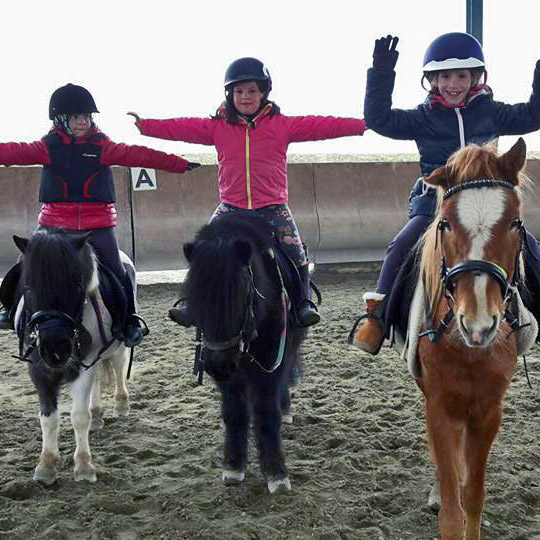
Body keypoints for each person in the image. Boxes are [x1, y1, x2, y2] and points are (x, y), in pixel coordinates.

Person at [128, 57, 367, 328]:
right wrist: (146, 126)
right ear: (230, 95)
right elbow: (182, 127)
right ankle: (189, 301)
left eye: (252, 91)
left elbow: (322, 126)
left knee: (296, 251)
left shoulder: (282, 125)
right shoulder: (217, 127)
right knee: (205, 249)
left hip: (272, 207)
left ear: (263, 92)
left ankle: (303, 302)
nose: (245, 97)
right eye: (239, 91)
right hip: (231, 207)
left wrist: (361, 124)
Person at [352, 32, 540, 354]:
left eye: (462, 75)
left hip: (484, 206)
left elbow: (533, 115)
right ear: (433, 81)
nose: (454, 83)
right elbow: (378, 119)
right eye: (445, 76)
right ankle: (377, 319)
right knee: (400, 245)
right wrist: (381, 74)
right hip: (435, 202)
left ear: (476, 78)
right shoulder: (422, 118)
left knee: (531, 247)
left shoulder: (492, 111)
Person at [0, 83, 200, 346]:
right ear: (61, 120)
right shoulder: (46, 147)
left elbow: (141, 155)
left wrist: (180, 164)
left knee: (118, 271)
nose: (83, 121)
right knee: (25, 262)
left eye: (86, 116)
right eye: (75, 117)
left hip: (97, 226)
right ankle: (9, 309)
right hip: (53, 225)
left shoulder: (103, 146)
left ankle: (128, 320)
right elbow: (13, 151)